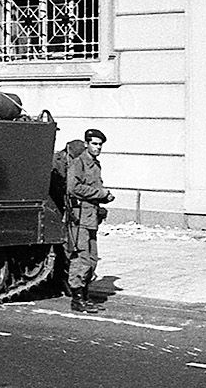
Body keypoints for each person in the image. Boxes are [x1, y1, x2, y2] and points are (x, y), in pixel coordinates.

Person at [64, 128, 114, 313]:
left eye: (100, 144)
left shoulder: (95, 164)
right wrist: (100, 194)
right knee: (81, 259)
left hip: (91, 217)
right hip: (79, 220)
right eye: (94, 143)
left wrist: (103, 199)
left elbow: (92, 188)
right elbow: (73, 188)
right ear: (86, 144)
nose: (98, 147)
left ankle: (85, 296)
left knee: (92, 259)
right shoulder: (79, 163)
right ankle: (77, 300)